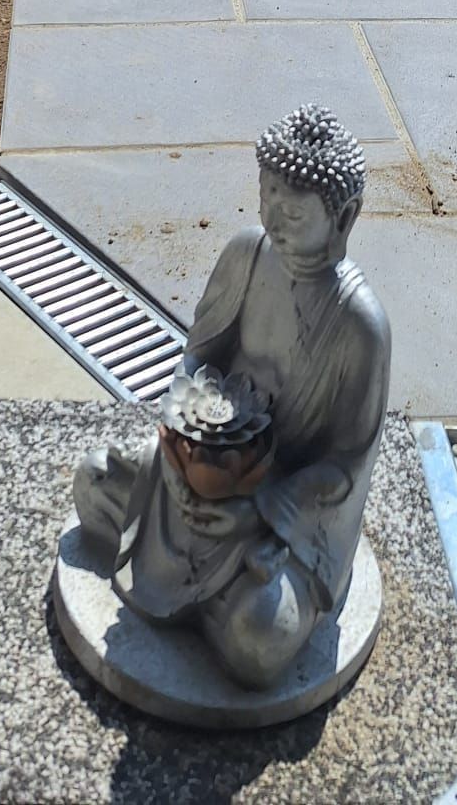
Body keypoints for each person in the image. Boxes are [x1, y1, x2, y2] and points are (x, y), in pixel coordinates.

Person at [73, 105, 391, 689]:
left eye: (294, 212)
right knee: (94, 479)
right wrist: (178, 449)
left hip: (286, 511)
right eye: (267, 197)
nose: (274, 220)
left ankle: (232, 602)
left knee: (258, 640)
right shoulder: (246, 255)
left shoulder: (360, 324)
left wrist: (261, 506)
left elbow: (348, 462)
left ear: (344, 218)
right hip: (203, 461)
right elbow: (197, 359)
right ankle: (198, 584)